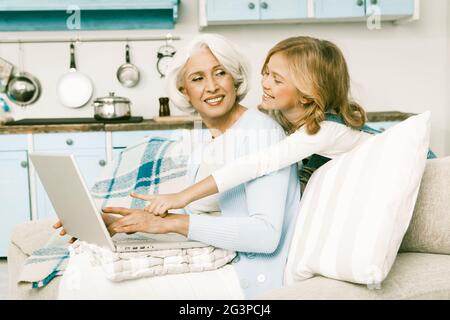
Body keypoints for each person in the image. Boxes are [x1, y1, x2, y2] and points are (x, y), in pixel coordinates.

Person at [56, 34, 301, 300]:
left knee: (92, 283)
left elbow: (265, 235)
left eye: (220, 73)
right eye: (197, 78)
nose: (212, 87)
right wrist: (124, 223)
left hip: (245, 277)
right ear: (184, 90)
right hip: (209, 259)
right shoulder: (206, 143)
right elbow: (196, 216)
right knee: (85, 267)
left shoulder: (261, 132)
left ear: (235, 78)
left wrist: (170, 223)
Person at [131, 36, 379, 215]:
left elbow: (256, 164)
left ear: (306, 95)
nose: (265, 83)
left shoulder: (325, 131)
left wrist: (182, 196)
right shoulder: (284, 122)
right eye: (266, 73)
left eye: (277, 79)